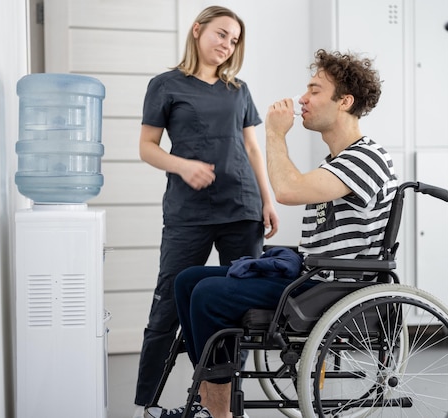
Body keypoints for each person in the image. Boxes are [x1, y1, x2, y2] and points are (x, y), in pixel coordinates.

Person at [152, 49, 398, 418]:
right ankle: (210, 402)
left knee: (207, 294)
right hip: (312, 277)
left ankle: (219, 413)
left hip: (332, 286)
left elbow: (288, 190)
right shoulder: (339, 161)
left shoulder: (366, 157)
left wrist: (273, 132)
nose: (302, 99)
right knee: (188, 280)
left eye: (314, 90)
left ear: (345, 101)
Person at [132, 6, 279, 418]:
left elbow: (252, 148)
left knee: (240, 307)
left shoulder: (239, 90)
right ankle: (149, 403)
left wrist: (267, 199)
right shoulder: (165, 85)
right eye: (221, 34)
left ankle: (227, 404)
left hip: (242, 209)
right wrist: (182, 165)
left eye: (233, 40)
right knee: (167, 305)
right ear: (197, 31)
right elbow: (146, 147)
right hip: (188, 213)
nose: (226, 45)